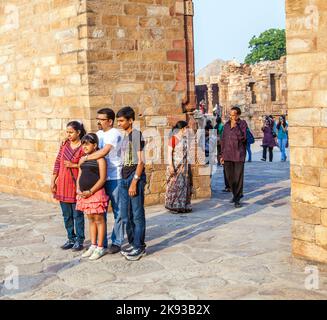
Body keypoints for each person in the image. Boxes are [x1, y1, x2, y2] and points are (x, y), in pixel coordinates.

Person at [79, 108, 123, 254]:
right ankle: (100, 244)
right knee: (98, 212)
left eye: (101, 119)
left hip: (114, 176)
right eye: (97, 118)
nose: (98, 121)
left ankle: (116, 241)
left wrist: (84, 159)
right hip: (98, 179)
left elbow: (104, 152)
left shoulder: (114, 133)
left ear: (110, 121)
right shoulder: (98, 134)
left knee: (118, 211)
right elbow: (87, 146)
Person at [117, 106, 147, 261]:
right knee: (125, 215)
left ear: (130, 120)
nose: (119, 123)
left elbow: (141, 161)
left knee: (136, 215)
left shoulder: (136, 135)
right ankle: (133, 242)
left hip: (134, 178)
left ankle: (139, 247)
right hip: (124, 177)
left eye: (122, 121)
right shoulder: (125, 136)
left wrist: (135, 182)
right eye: (118, 121)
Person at [51, 121, 86, 251]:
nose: (69, 135)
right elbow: (57, 162)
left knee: (78, 215)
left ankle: (80, 240)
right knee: (66, 215)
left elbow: (88, 163)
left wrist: (74, 165)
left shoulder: (84, 146)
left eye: (71, 132)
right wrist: (53, 181)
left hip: (76, 184)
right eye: (67, 132)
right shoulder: (64, 145)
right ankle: (70, 238)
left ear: (79, 132)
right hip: (62, 185)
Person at [76, 133, 109, 261]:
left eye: (87, 144)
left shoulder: (100, 159)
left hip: (96, 193)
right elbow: (80, 174)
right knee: (90, 219)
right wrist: (78, 188)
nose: (84, 146)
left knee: (99, 220)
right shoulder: (82, 159)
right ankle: (93, 244)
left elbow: (102, 178)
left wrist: (91, 190)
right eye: (83, 144)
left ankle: (100, 247)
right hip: (84, 194)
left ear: (94, 145)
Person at [220, 106, 248, 208]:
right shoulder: (226, 125)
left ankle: (237, 198)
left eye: (234, 115)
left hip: (238, 154)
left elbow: (243, 138)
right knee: (229, 177)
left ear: (238, 115)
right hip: (227, 155)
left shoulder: (243, 124)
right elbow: (223, 140)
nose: (232, 117)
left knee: (238, 177)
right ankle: (235, 193)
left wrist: (237, 127)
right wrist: (221, 155)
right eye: (230, 115)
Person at [165, 121, 193, 214]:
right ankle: (173, 206)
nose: (187, 130)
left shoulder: (185, 139)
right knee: (174, 186)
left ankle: (183, 205)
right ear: (182, 129)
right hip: (176, 166)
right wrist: (171, 166)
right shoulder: (173, 139)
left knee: (184, 187)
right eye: (186, 128)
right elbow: (169, 153)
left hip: (184, 166)